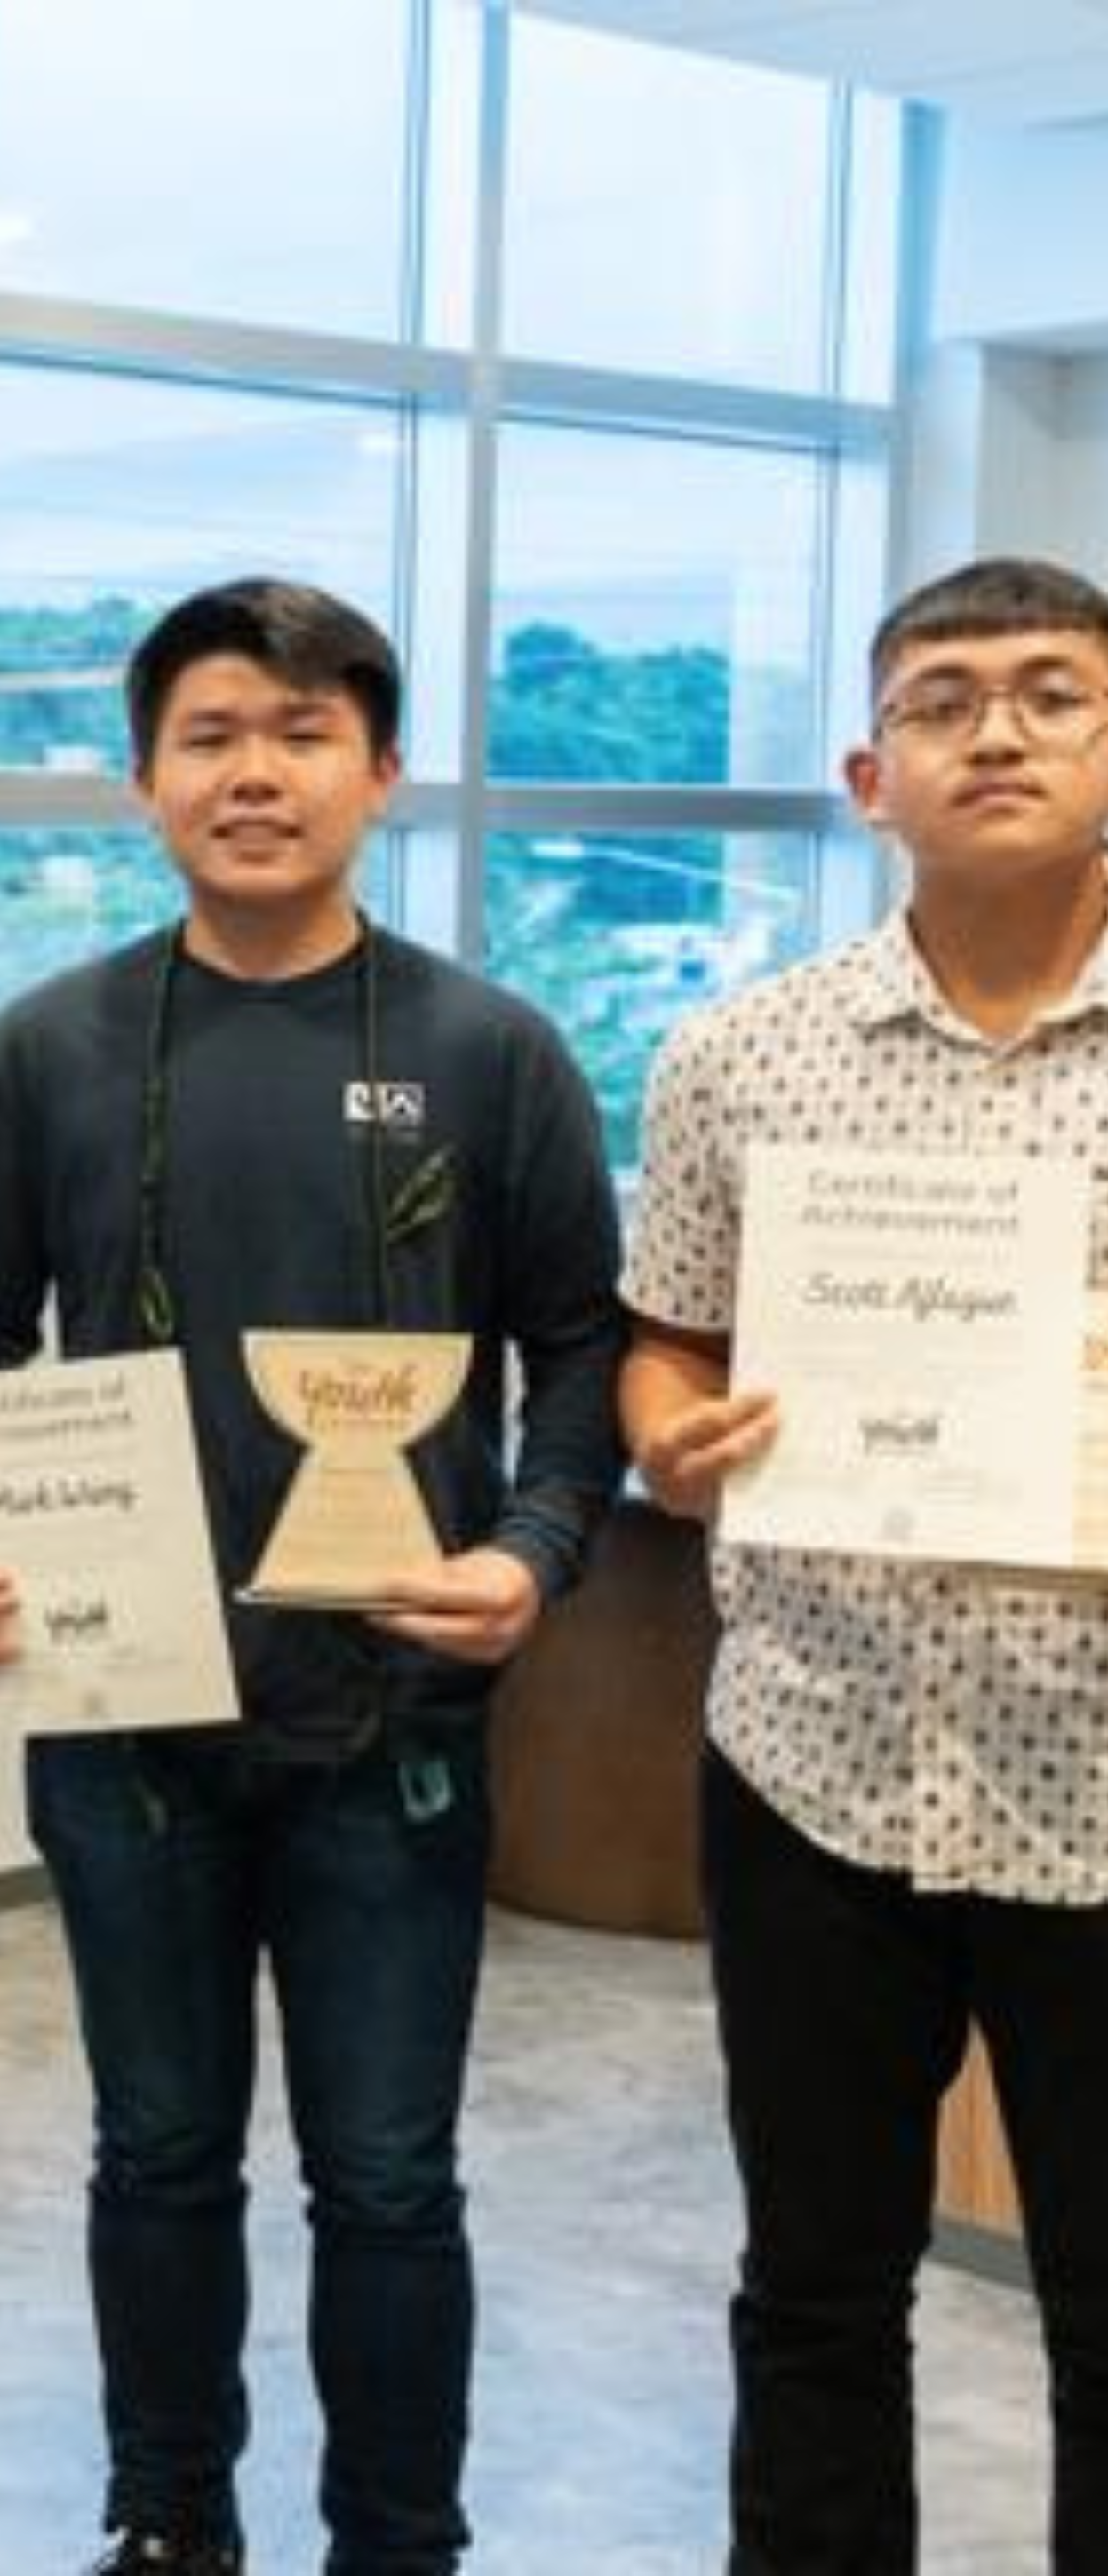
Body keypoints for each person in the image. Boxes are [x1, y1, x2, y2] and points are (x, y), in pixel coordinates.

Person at [0, 579, 624, 2576]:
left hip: (397, 1722)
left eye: (304, 732)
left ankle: (399, 2538)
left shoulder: (490, 1049)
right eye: (211, 731)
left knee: (389, 2177)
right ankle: (169, 2520)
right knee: (159, 2153)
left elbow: (580, 1345)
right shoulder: (50, 1045)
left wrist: (538, 1552)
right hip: (123, 1719)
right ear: (143, 778)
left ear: (380, 774)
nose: (255, 770)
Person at [617, 554, 1108, 2573]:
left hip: (1103, 1791)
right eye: (944, 698)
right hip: (818, 1759)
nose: (996, 730)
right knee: (815, 2290)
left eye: (1054, 693)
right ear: (866, 769)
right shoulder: (742, 1054)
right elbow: (670, 1335)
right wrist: (663, 1437)